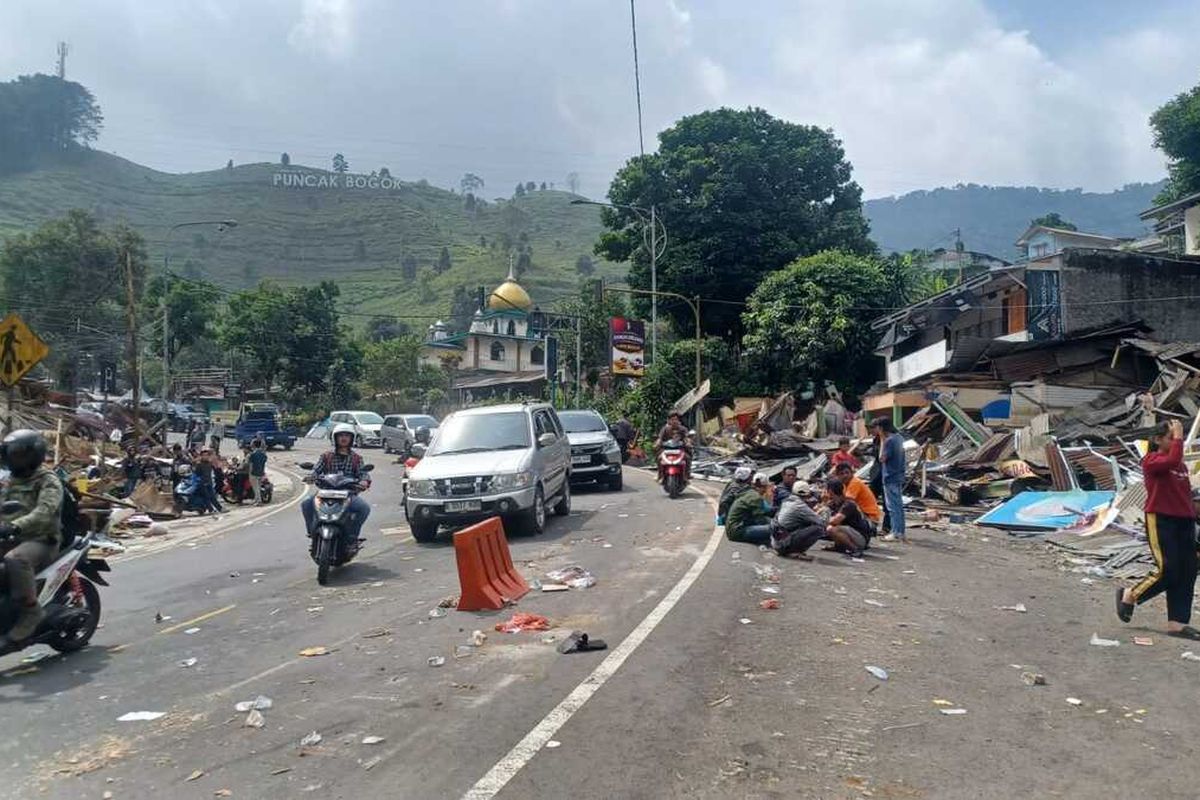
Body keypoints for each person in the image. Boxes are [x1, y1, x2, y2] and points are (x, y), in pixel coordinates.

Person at [1116, 420, 1200, 638]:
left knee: (1188, 571)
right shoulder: (1152, 461)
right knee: (1168, 568)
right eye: (1171, 438)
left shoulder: (1179, 467)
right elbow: (1173, 459)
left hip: (1185, 521)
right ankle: (1130, 594)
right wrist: (1181, 436)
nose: (1175, 442)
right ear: (1157, 440)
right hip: (1161, 519)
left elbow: (1184, 493)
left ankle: (1177, 623)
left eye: (1175, 439)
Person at [0, 430, 63, 645]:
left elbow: (45, 511)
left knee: (16, 559)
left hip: (40, 539)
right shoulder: (10, 481)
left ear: (33, 455)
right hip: (10, 536)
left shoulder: (48, 480)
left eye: (18, 454)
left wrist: (15, 526)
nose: (13, 459)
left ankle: (31, 611)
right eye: (10, 454)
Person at [301, 423, 371, 549]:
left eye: (347, 436)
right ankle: (312, 532)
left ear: (351, 438)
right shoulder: (326, 456)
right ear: (335, 438)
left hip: (347, 494)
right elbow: (316, 470)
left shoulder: (356, 458)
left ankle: (352, 537)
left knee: (364, 508)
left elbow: (363, 474)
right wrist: (311, 477)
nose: (344, 438)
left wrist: (364, 482)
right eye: (341, 436)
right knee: (306, 504)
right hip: (325, 492)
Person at [873, 418, 907, 542]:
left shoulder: (889, 440)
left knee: (892, 507)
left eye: (877, 428)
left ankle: (896, 532)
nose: (875, 430)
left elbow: (881, 458)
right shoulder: (899, 438)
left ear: (881, 428)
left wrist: (882, 439)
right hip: (898, 475)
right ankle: (900, 532)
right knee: (898, 506)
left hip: (890, 476)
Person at [822, 478, 873, 557]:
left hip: (861, 538)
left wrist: (823, 519)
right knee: (830, 527)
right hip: (852, 533)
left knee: (831, 528)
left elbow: (835, 521)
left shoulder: (848, 504)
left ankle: (855, 549)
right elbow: (818, 512)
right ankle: (839, 547)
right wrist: (823, 503)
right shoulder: (834, 503)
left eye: (825, 489)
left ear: (830, 491)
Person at [771, 492, 826, 561]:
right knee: (819, 529)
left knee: (806, 523)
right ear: (805, 496)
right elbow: (821, 522)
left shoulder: (786, 502)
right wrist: (821, 511)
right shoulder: (800, 505)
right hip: (783, 544)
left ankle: (790, 550)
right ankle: (794, 552)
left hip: (775, 542)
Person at [724, 472, 774, 545]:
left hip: (733, 528)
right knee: (775, 529)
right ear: (764, 487)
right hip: (738, 531)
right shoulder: (756, 497)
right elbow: (760, 520)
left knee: (772, 523)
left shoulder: (748, 491)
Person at [193, 448, 223, 513]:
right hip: (202, 484)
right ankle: (211, 509)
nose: (205, 457)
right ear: (201, 456)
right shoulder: (199, 465)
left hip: (209, 482)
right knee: (206, 497)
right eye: (204, 455)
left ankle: (219, 508)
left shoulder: (209, 464)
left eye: (206, 455)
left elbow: (216, 469)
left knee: (212, 497)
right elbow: (196, 475)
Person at [248, 438, 268, 506]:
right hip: (261, 472)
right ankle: (256, 499)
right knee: (258, 487)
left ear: (253, 445)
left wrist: (250, 473)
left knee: (255, 488)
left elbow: (251, 465)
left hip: (254, 472)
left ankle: (259, 501)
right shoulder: (263, 454)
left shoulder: (252, 454)